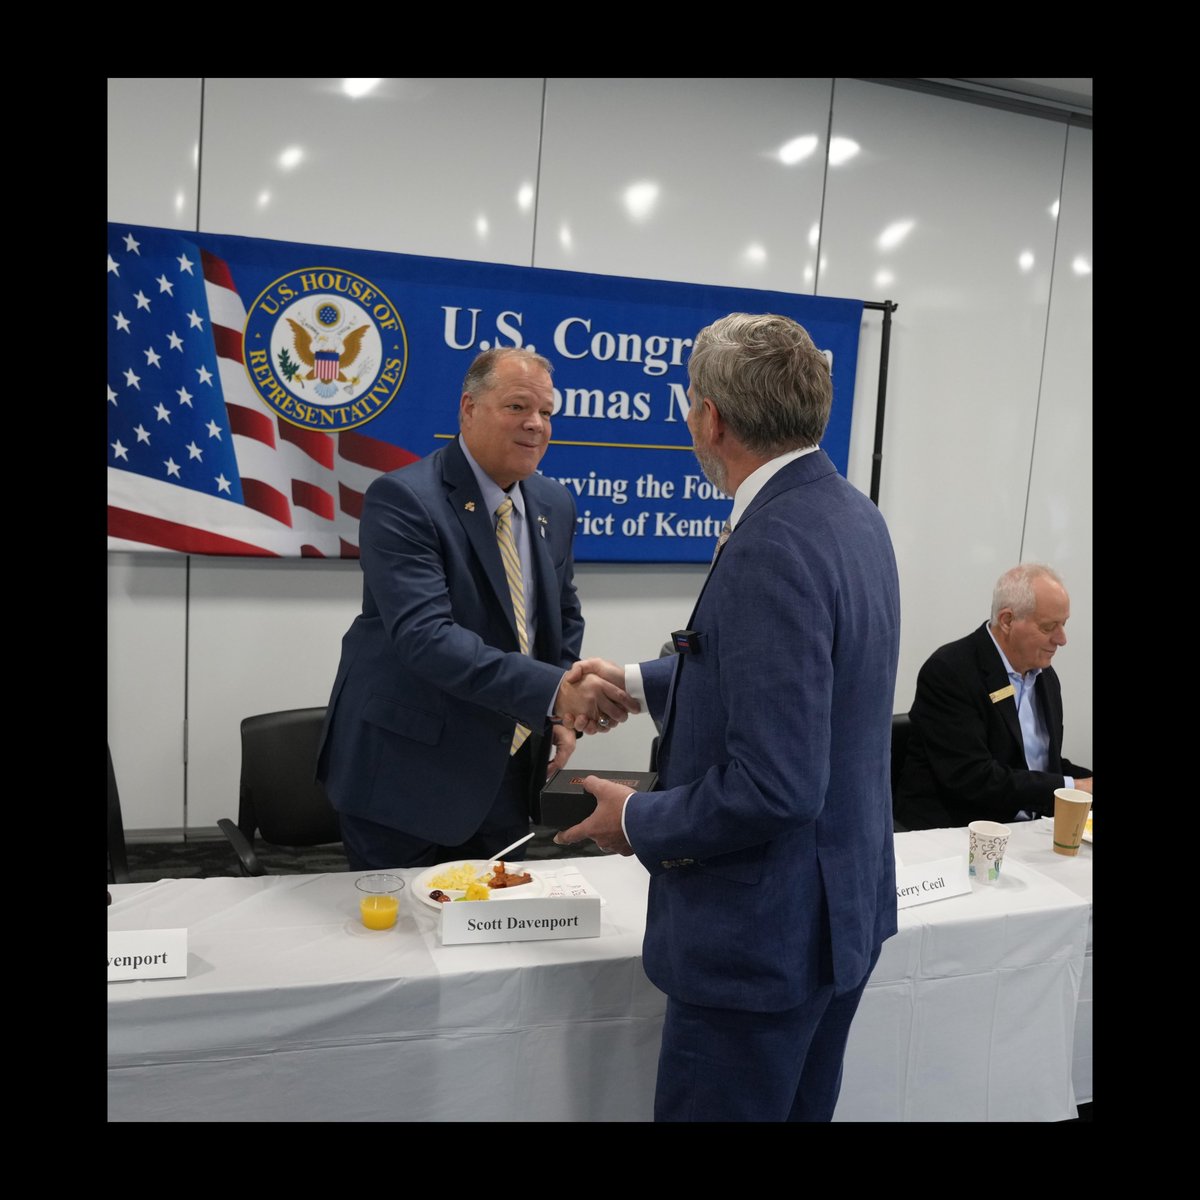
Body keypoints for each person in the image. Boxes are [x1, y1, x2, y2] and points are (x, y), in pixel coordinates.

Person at [555, 312, 901, 1122]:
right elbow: (804, 683)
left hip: (762, 943)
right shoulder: (853, 515)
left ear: (710, 417)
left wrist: (638, 818)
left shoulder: (770, 543)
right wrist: (642, 681)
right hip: (833, 922)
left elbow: (776, 787)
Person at [316, 347, 636, 870]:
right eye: (517, 407)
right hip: (405, 772)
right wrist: (554, 691)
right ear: (468, 408)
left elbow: (560, 617)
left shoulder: (554, 502)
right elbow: (426, 637)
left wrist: (559, 713)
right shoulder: (403, 498)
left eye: (547, 412)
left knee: (487, 930)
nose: (536, 425)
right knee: (397, 943)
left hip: (505, 774)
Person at [893, 562, 1092, 830]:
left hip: (1025, 830)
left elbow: (1043, 763)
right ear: (1008, 620)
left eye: (1064, 625)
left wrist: (1083, 783)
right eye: (1048, 627)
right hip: (957, 832)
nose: (1062, 639)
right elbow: (973, 777)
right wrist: (1072, 788)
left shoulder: (1045, 677)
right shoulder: (951, 671)